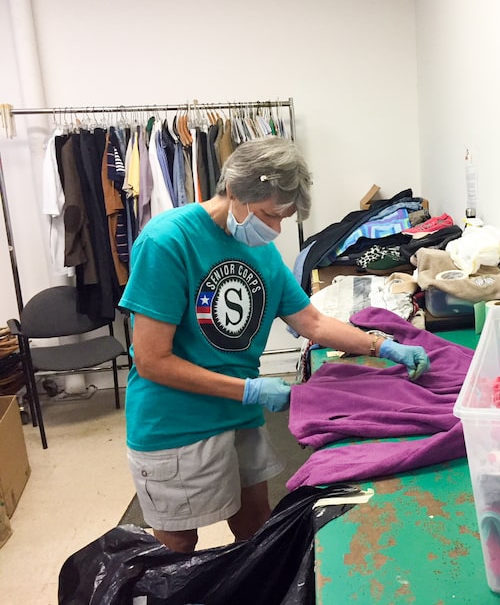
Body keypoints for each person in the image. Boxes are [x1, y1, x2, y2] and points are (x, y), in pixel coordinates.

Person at [118, 136, 429, 553]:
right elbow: (153, 360)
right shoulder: (168, 242)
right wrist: (250, 389)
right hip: (176, 422)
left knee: (255, 524)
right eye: (268, 214)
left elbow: (312, 321)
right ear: (233, 192)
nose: (276, 228)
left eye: (284, 216)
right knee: (178, 544)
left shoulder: (260, 251)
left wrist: (380, 345)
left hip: (238, 414)